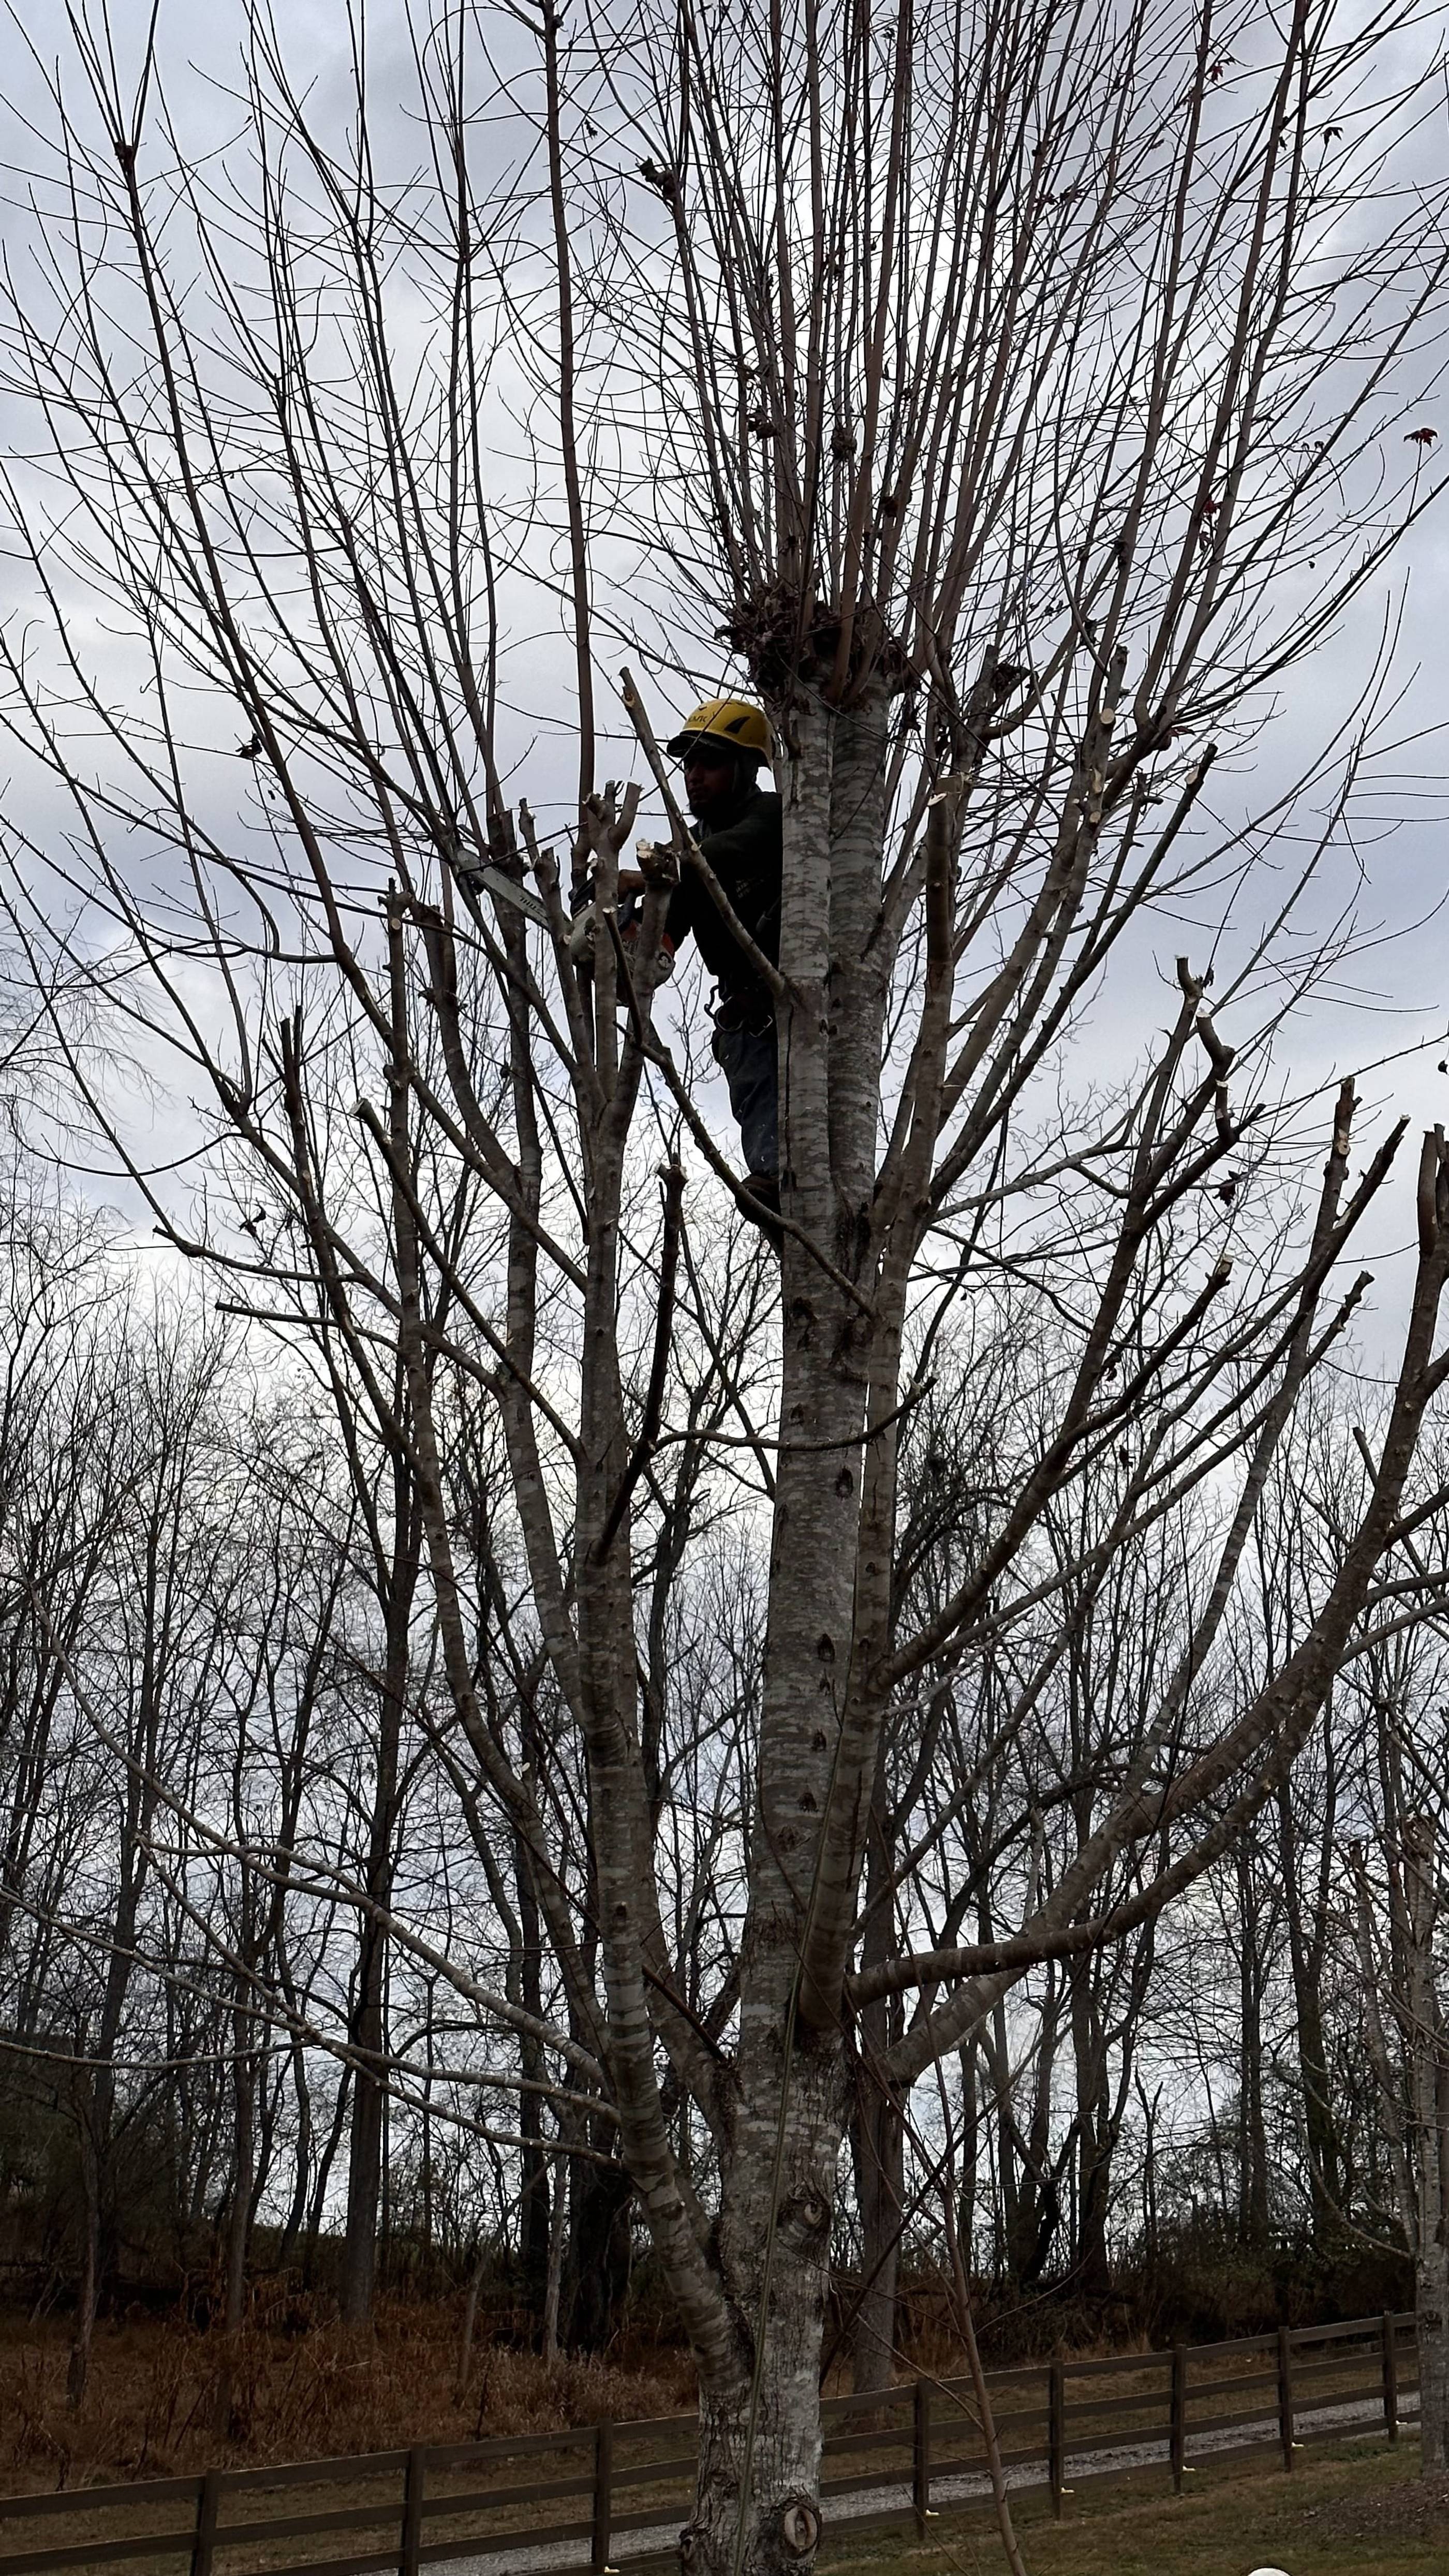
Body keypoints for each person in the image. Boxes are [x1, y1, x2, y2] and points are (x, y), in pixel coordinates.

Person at [660, 697, 782, 1223]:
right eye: (689, 765)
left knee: (782, 1088)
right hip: (745, 1005)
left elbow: (729, 853)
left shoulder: (774, 815)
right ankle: (773, 1180)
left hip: (792, 985)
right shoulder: (693, 848)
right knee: (753, 1080)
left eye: (709, 763)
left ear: (745, 768)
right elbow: (675, 916)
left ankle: (778, 1176)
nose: (695, 776)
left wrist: (660, 869)